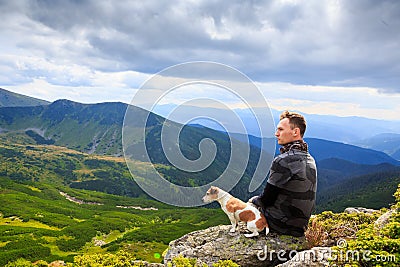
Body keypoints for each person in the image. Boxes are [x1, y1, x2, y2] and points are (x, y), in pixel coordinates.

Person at [250, 111, 317, 237]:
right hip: (301, 227)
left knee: (246, 207)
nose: (276, 134)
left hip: (281, 226)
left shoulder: (284, 160)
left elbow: (266, 200)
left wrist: (253, 200)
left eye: (280, 129)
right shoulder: (310, 159)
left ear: (295, 132)